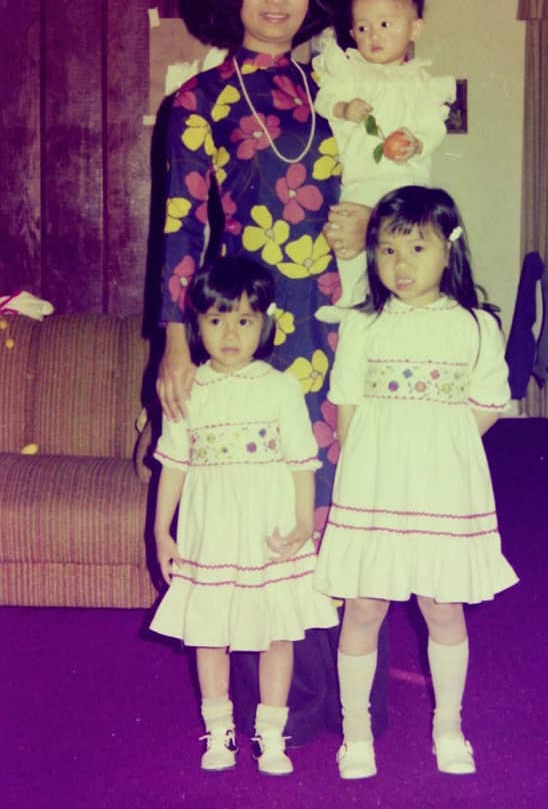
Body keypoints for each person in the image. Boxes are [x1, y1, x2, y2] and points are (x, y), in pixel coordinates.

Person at [154, 0, 386, 744]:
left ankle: (340, 696)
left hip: (338, 318)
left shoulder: (344, 91)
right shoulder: (196, 101)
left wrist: (368, 220)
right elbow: (179, 229)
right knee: (253, 497)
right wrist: (176, 346)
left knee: (331, 484)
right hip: (244, 329)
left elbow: (391, 188)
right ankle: (262, 707)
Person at [314, 186, 519, 780]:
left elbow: (485, 406)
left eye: (416, 248)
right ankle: (356, 735)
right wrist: (377, 465)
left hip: (441, 490)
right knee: (364, 606)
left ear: (448, 252)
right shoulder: (364, 326)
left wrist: (437, 444)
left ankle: (449, 726)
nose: (399, 265)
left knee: (442, 606)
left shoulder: (477, 326)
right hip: (375, 489)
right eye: (386, 251)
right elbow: (347, 411)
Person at [151, 256, 338, 775]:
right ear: (197, 326)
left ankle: (271, 734)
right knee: (210, 632)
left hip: (269, 533)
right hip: (209, 534)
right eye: (215, 320)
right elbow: (174, 465)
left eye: (244, 320)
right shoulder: (189, 390)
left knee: (278, 631)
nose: (229, 333)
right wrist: (161, 534)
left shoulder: (280, 387)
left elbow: (303, 464)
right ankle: (218, 731)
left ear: (265, 324)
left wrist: (303, 526)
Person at [312, 0, 456, 315]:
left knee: (404, 248)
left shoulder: (422, 83)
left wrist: (418, 143)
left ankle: (404, 302)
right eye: (363, 28)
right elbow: (324, 100)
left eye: (385, 24)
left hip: (406, 186)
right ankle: (350, 299)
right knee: (348, 238)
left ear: (414, 30)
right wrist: (344, 108)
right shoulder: (350, 73)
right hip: (360, 180)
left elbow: (433, 126)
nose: (373, 35)